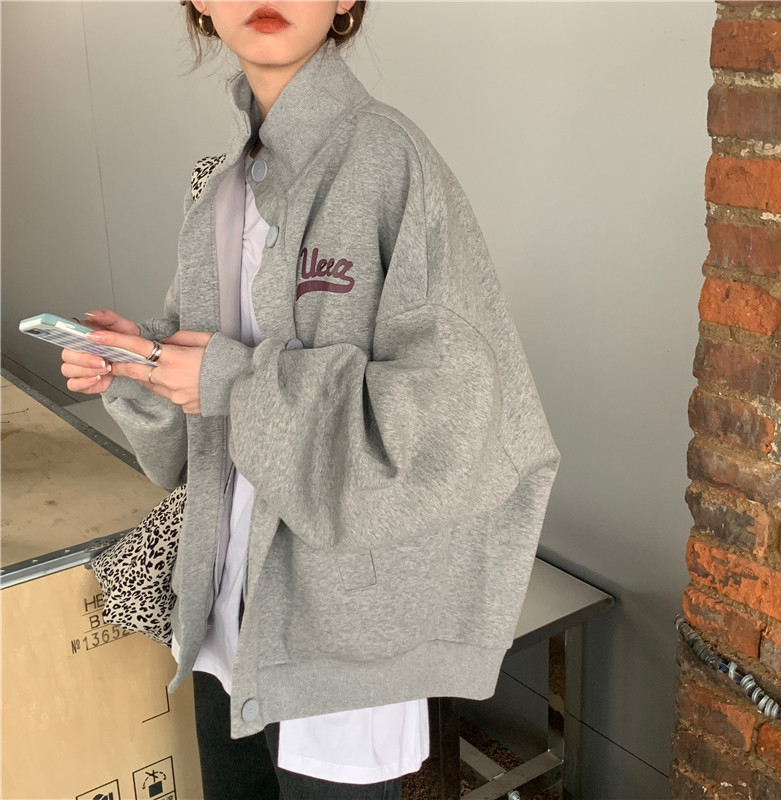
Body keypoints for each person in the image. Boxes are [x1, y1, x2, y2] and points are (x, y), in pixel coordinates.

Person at [60, 3, 560, 799]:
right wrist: (139, 364)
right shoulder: (223, 187)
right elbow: (197, 426)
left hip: (339, 643)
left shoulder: (390, 161)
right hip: (223, 614)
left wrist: (227, 379)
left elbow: (454, 424)